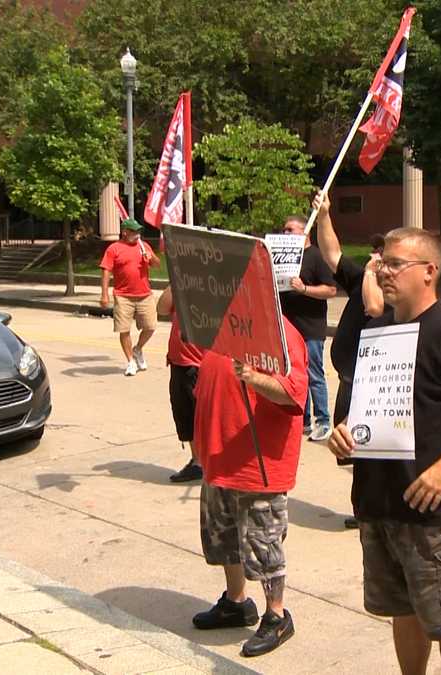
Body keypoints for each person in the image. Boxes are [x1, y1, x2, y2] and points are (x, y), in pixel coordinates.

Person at [328, 227, 441, 675]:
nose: (382, 271)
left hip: (433, 512)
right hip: (379, 503)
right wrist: (345, 432)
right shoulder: (376, 329)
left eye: (394, 264)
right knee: (402, 610)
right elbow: (374, 405)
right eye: (381, 263)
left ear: (429, 272)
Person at [190, 314, 311, 657]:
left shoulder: (281, 333)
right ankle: (236, 602)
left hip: (258, 465)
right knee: (223, 538)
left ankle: (277, 614)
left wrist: (253, 377)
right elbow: (207, 388)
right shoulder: (219, 328)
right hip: (219, 457)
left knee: (263, 544)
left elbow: (294, 393)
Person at [313, 191, 388, 529]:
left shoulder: (386, 288)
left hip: (370, 385)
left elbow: (373, 308)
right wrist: (325, 214)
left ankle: (376, 511)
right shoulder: (362, 278)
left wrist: (372, 273)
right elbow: (332, 254)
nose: (373, 256)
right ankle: (363, 511)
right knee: (354, 453)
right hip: (348, 380)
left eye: (380, 253)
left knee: (371, 452)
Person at [279, 216, 338, 442]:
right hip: (288, 327)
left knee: (314, 374)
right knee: (294, 374)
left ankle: (323, 421)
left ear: (305, 232)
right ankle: (302, 420)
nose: (285, 234)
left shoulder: (316, 257)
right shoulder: (283, 258)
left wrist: (304, 289)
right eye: (283, 230)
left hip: (310, 327)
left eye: (290, 230)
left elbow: (331, 290)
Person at [157, 286, 206, 483]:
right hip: (180, 361)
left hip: (204, 363)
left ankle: (211, 462)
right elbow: (161, 308)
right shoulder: (183, 283)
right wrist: (176, 282)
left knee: (206, 417)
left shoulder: (216, 284)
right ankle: (198, 462)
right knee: (185, 415)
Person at [99, 218, 159, 376]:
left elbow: (158, 264)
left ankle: (138, 349)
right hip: (123, 295)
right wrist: (104, 294)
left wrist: (150, 258)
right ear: (125, 232)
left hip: (144, 294)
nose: (137, 234)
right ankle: (131, 361)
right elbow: (106, 271)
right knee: (124, 329)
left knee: (150, 326)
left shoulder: (144, 246)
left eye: (138, 231)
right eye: (133, 231)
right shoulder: (114, 249)